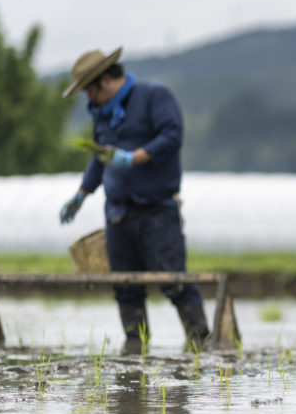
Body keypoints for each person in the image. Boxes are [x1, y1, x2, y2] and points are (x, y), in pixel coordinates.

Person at [58, 47, 209, 351]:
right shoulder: (102, 116)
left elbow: (172, 135)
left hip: (157, 209)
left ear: (103, 81)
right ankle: (135, 345)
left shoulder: (154, 96)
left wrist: (134, 158)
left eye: (89, 91)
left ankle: (199, 341)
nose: (89, 99)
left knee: (173, 278)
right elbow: (100, 158)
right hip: (118, 214)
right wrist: (81, 195)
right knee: (125, 284)